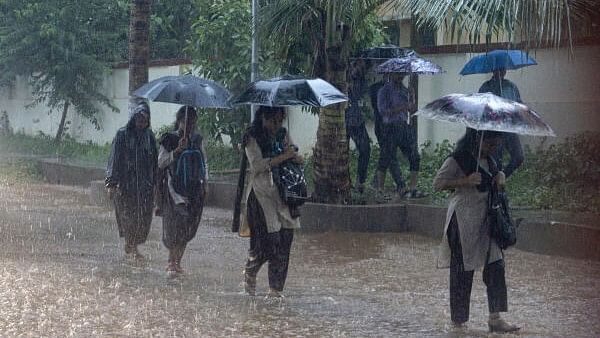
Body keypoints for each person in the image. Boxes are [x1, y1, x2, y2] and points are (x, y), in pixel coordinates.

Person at [433, 128, 519, 333]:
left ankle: (495, 318)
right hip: (462, 221)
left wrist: (500, 178)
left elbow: (494, 185)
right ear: (477, 139)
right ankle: (459, 322)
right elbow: (438, 184)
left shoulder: (491, 161)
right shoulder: (457, 159)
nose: (493, 148)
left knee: (496, 265)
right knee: (462, 270)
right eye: (490, 144)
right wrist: (465, 181)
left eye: (496, 145)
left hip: (487, 220)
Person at [232, 106, 302, 298]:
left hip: (283, 193)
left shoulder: (283, 134)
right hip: (261, 194)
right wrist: (283, 157)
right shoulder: (251, 137)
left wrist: (293, 155)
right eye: (273, 121)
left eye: (279, 121)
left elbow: (296, 156)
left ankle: (275, 289)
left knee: (286, 239)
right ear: (263, 117)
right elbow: (257, 165)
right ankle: (251, 269)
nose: (276, 125)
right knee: (270, 242)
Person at [157, 106, 207, 275]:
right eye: (186, 121)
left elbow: (204, 164)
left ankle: (178, 261)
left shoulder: (198, 140)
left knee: (188, 226)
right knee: (175, 225)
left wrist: (205, 184)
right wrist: (177, 150)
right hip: (174, 190)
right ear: (179, 121)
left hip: (194, 190)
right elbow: (161, 162)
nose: (189, 125)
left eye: (192, 122)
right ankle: (171, 261)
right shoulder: (169, 139)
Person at [105, 101, 157, 260]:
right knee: (128, 217)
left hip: (144, 186)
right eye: (139, 119)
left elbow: (154, 162)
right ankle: (132, 246)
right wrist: (111, 183)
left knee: (143, 217)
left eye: (145, 120)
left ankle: (132, 244)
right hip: (125, 185)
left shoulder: (149, 137)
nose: (142, 122)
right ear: (134, 119)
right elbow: (114, 159)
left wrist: (155, 183)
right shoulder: (122, 134)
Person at [376, 73, 425, 198]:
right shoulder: (384, 91)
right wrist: (401, 107)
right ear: (391, 75)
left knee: (414, 155)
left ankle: (413, 187)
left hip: (403, 126)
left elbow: (411, 110)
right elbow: (382, 111)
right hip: (389, 127)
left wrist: (412, 97)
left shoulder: (405, 90)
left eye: (402, 75)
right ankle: (380, 189)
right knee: (386, 157)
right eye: (397, 75)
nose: (400, 77)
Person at [479, 69, 524, 177]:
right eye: (498, 69)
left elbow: (518, 104)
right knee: (495, 162)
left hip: (509, 127)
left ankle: (502, 176)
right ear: (493, 70)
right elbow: (481, 106)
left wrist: (518, 114)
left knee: (518, 157)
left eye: (503, 68)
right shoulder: (486, 87)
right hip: (493, 130)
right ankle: (495, 185)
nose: (501, 71)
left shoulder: (511, 86)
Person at [345, 59, 371, 193]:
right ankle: (345, 182)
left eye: (361, 66)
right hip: (342, 120)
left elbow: (358, 95)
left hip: (355, 120)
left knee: (366, 149)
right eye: (355, 65)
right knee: (342, 153)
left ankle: (360, 182)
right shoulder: (341, 75)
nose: (358, 69)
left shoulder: (360, 80)